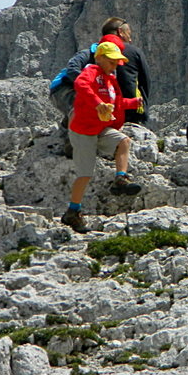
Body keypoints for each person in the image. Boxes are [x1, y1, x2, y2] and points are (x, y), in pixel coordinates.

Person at [61, 42, 144, 233]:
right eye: (112, 61)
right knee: (85, 175)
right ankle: (72, 211)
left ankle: (120, 179)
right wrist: (98, 103)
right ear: (99, 58)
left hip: (99, 128)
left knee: (124, 141)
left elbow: (116, 103)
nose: (115, 65)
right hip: (82, 130)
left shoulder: (110, 80)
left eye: (117, 62)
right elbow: (80, 84)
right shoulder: (92, 71)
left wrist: (133, 103)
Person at [101, 17, 151, 125]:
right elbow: (145, 81)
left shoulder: (97, 52)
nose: (130, 39)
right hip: (132, 111)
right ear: (120, 32)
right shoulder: (133, 52)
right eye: (129, 33)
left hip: (104, 111)